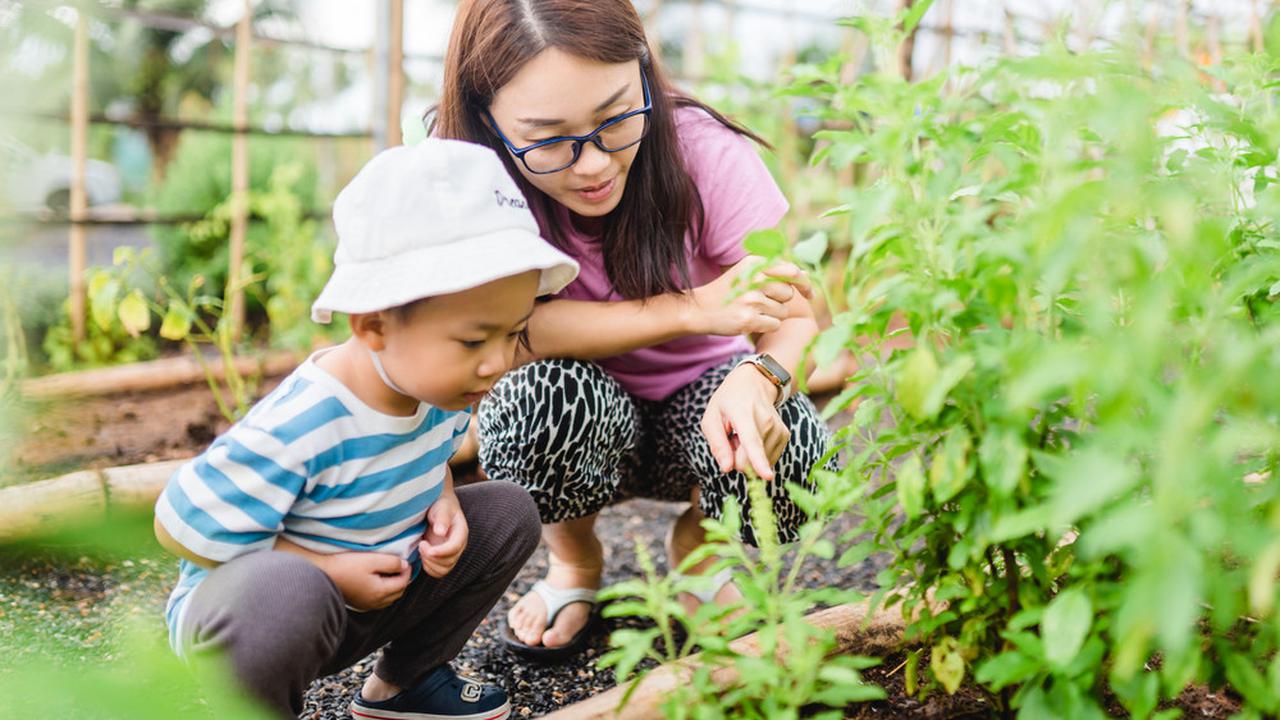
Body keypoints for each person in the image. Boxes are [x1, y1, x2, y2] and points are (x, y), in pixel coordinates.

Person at [430, 0, 835, 661]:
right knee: (535, 403)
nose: (592, 163)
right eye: (550, 137)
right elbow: (500, 331)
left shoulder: (703, 151)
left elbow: (796, 317)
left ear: (643, 71)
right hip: (581, 422)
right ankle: (575, 562)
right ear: (485, 118)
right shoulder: (467, 178)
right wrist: (687, 309)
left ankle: (701, 548)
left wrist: (758, 379)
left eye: (617, 116)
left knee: (793, 455)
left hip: (701, 413)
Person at [151, 138, 579, 718]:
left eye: (514, 334)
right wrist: (326, 571)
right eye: (475, 339)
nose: (498, 362)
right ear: (375, 324)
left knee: (509, 512)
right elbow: (178, 526)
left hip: (372, 589)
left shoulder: (439, 386)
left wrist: (444, 500)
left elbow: (433, 459)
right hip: (253, 621)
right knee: (286, 592)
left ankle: (404, 685)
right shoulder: (306, 421)